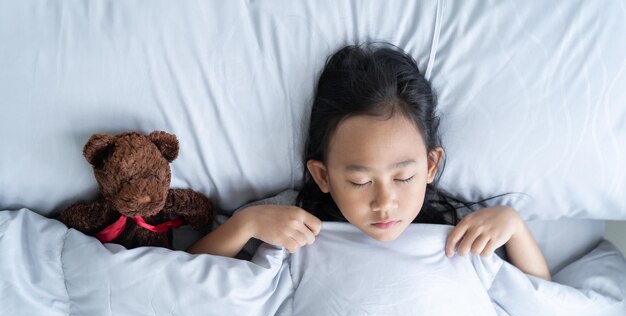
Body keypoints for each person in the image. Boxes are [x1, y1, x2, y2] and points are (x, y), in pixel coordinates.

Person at [187, 42, 551, 281]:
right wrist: (244, 225)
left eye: (404, 177)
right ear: (322, 174)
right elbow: (183, 281)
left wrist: (515, 228)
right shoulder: (288, 216)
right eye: (360, 182)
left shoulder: (458, 225)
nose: (384, 202)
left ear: (430, 166)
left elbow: (539, 301)